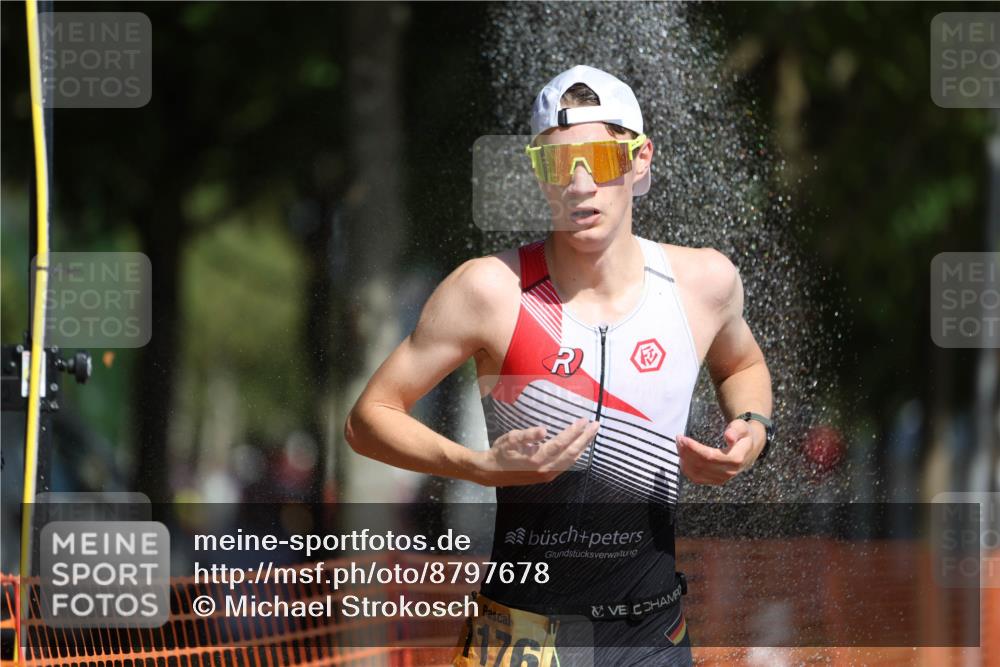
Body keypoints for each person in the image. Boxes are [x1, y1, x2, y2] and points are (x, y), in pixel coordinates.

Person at [345, 64, 773, 666]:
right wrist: (480, 466)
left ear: (640, 159)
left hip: (651, 637)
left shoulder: (703, 282)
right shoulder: (490, 291)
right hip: (521, 638)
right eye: (555, 165)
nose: (579, 185)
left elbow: (742, 364)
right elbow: (368, 418)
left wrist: (751, 430)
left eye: (599, 159)